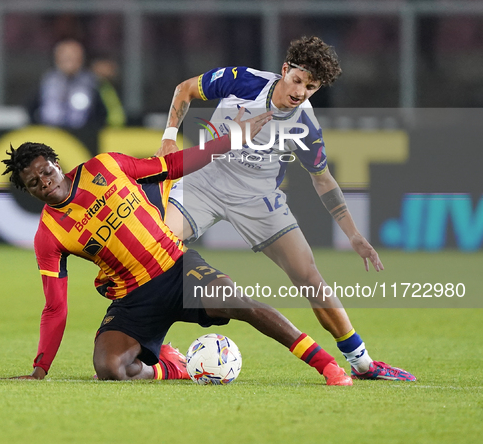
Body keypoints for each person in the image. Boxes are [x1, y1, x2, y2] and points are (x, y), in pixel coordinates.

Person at [1, 112, 354, 385]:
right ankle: (170, 367)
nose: (45, 183)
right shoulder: (48, 235)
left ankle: (326, 365)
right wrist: (40, 369)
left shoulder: (105, 167)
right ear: (29, 192)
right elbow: (55, 307)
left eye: (46, 172)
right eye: (34, 183)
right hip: (134, 297)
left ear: (56, 164)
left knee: (239, 302)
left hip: (177, 268)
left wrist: (231, 140)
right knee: (109, 367)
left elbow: (169, 167)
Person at [155, 35, 416, 381]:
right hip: (203, 181)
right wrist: (170, 134)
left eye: (311, 87)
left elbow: (323, 180)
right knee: (151, 252)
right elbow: (185, 89)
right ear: (284, 70)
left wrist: (354, 235)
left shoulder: (305, 125)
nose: (300, 92)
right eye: (297, 80)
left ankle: (363, 363)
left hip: (257, 197)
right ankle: (148, 351)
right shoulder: (243, 82)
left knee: (309, 276)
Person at [29, 38, 107, 156]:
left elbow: (103, 113)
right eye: (65, 57)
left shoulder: (92, 83)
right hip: (49, 139)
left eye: (73, 57)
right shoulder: (47, 83)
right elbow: (31, 109)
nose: (69, 61)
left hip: (82, 143)